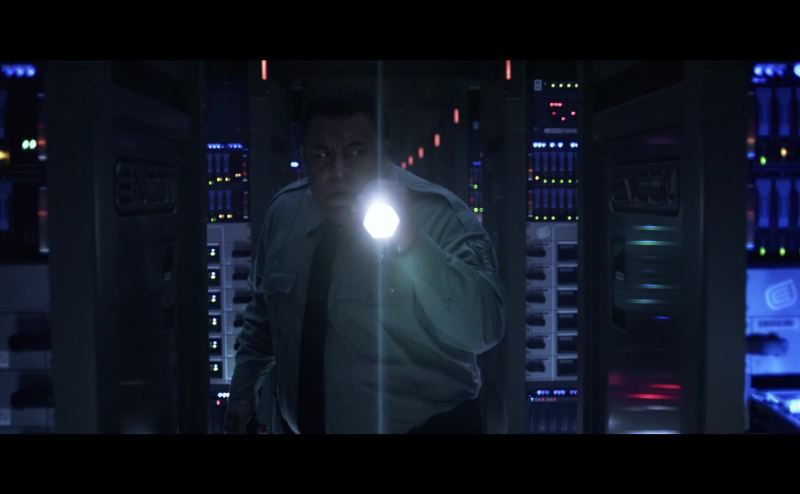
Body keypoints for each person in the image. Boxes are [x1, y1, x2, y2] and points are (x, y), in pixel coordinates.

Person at [224, 87, 505, 434]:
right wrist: (243, 391)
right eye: (323, 154)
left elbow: (484, 328)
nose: (339, 172)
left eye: (356, 152)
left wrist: (412, 242)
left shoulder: (439, 215)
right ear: (305, 158)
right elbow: (266, 315)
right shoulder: (284, 214)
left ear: (383, 156)